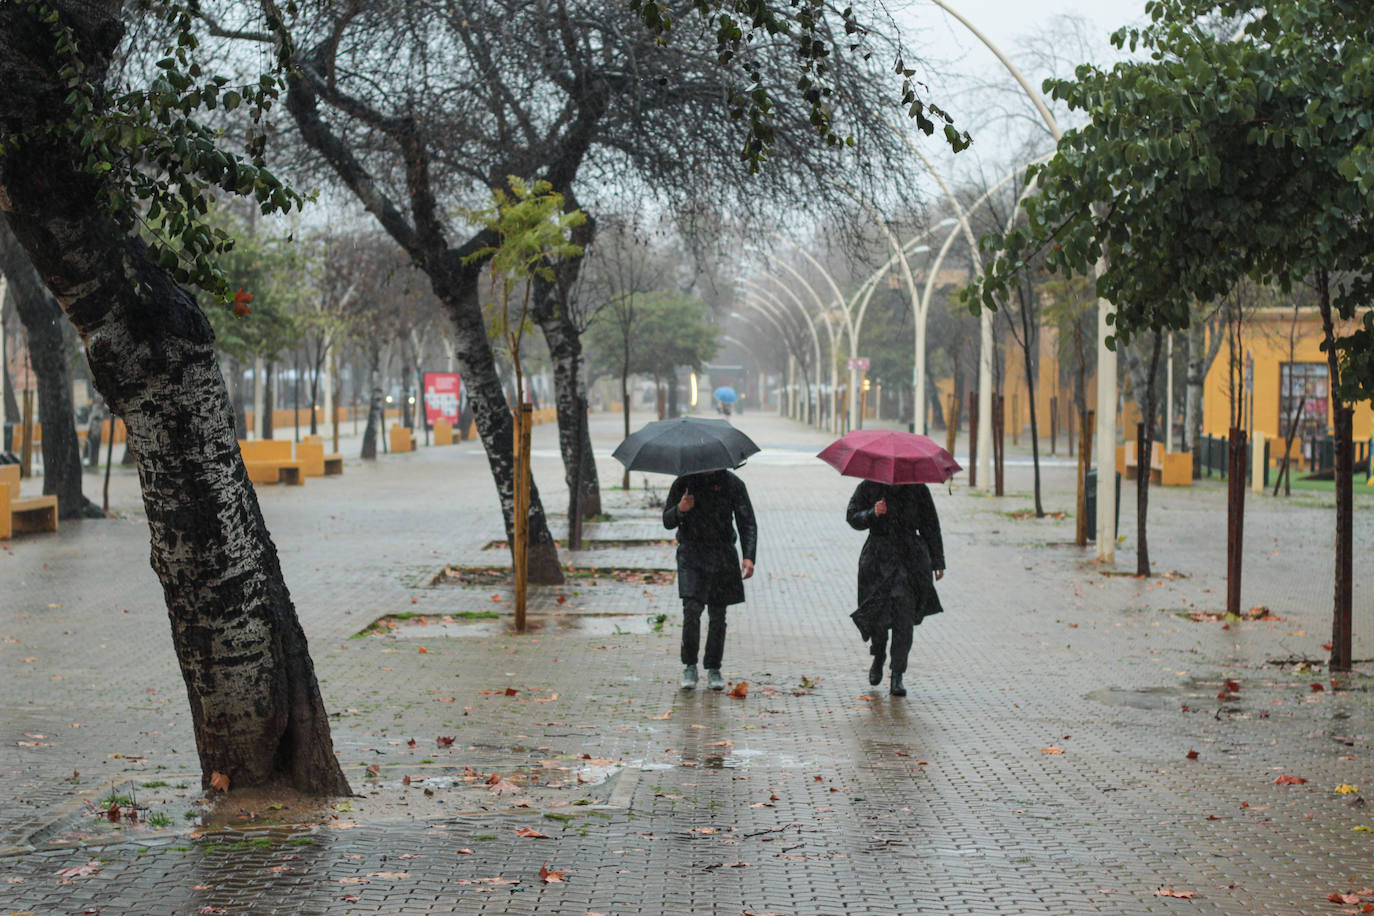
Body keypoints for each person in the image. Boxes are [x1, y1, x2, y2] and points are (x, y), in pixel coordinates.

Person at [845, 480, 945, 697]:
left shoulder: (918, 489)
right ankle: (878, 654)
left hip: (910, 562)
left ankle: (897, 673)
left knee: (904, 619)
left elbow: (930, 525)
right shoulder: (869, 486)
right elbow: (852, 516)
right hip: (877, 561)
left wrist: (938, 561)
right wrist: (873, 512)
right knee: (877, 618)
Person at [663, 467, 757, 691]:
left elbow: (747, 522)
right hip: (691, 553)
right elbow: (667, 520)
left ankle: (714, 667)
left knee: (718, 614)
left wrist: (748, 557)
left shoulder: (733, 483)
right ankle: (690, 666)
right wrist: (680, 509)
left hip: (722, 554)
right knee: (692, 610)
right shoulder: (684, 482)